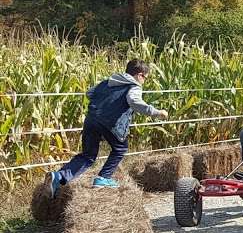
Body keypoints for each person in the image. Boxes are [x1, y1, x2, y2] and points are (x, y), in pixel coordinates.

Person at [47, 59, 168, 195]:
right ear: (140, 75)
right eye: (145, 78)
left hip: (91, 119)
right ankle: (103, 177)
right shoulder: (133, 86)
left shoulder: (107, 82)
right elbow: (134, 102)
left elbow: (90, 93)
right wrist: (157, 112)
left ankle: (59, 177)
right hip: (110, 123)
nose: (144, 81)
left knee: (88, 155)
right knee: (121, 148)